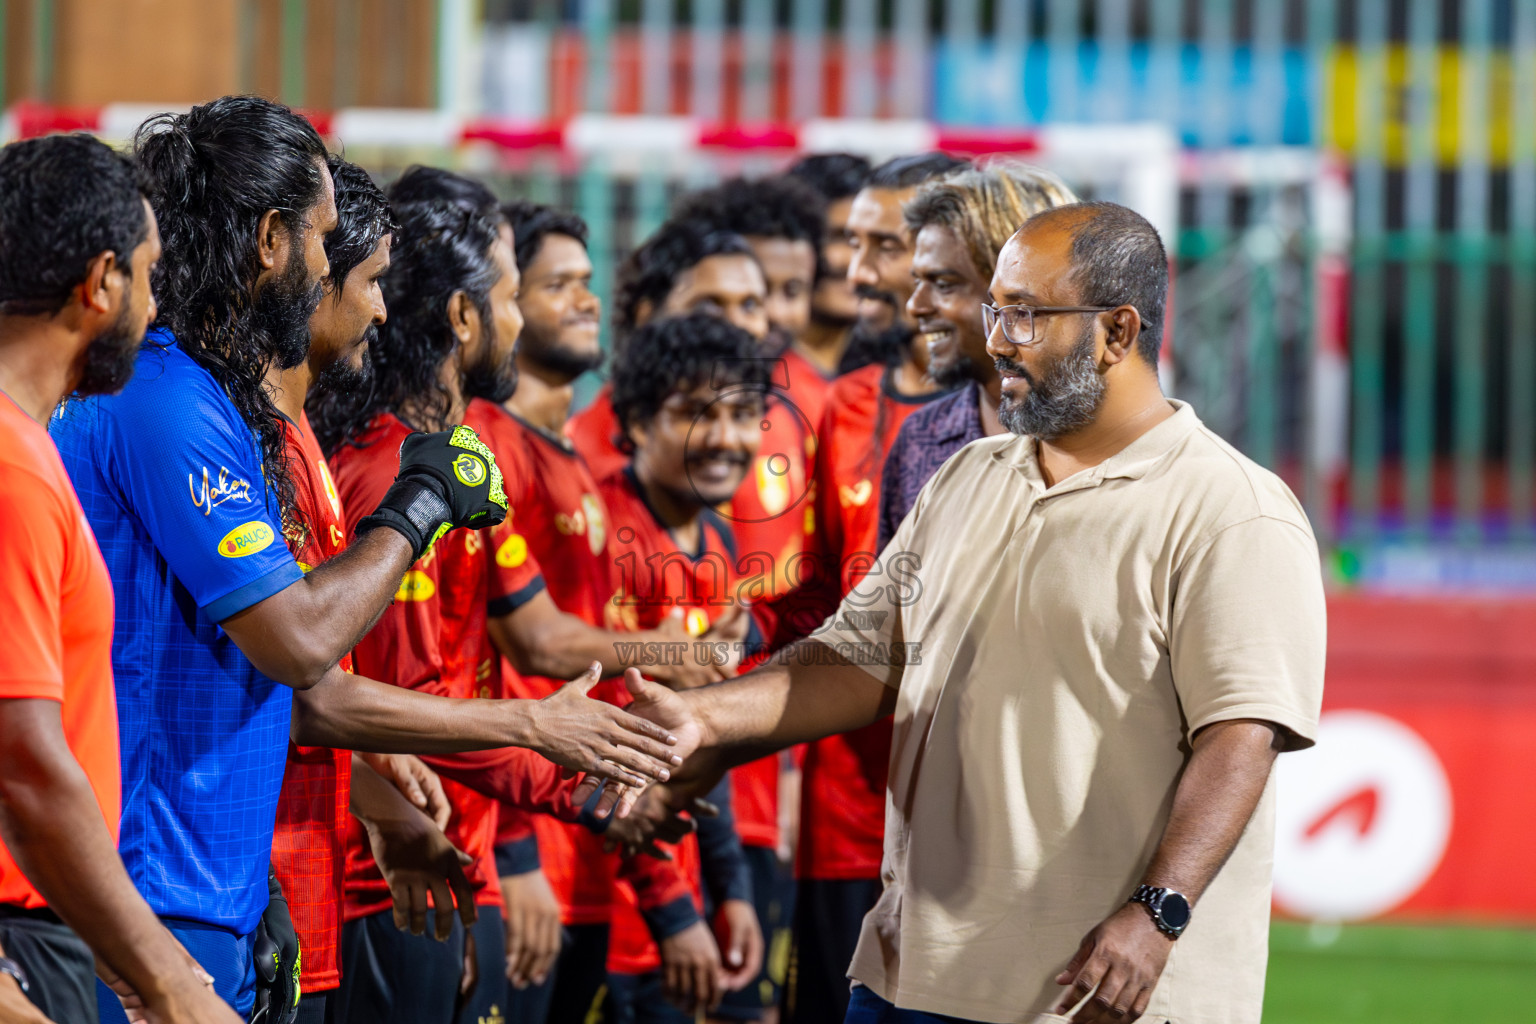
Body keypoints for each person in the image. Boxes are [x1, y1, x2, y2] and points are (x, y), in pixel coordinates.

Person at [630, 201, 1326, 1024]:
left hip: (1099, 992)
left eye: (1026, 314)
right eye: (997, 308)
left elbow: (1242, 735)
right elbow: (857, 659)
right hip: (908, 975)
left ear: (1118, 330)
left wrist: (1156, 915)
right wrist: (704, 720)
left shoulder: (1233, 510)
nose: (996, 337)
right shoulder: (966, 476)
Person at [478, 202, 748, 1024]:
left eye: (587, 283)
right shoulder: (487, 450)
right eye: (557, 284)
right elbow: (512, 667)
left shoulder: (568, 472)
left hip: (601, 853)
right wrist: (517, 855)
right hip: (525, 865)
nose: (585, 301)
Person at [0, 132, 241, 1024]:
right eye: (147, 273)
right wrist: (168, 981)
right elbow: (25, 762)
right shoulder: (14, 471)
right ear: (100, 283)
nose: (154, 303)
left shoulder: (31, 448)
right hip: (23, 936)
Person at [599, 314, 770, 1023]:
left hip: (675, 904)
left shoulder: (717, 539)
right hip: (604, 905)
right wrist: (674, 913)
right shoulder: (605, 530)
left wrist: (728, 888)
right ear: (637, 420)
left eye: (741, 414)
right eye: (697, 414)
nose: (724, 436)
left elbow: (701, 734)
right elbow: (610, 748)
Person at [879, 163, 1077, 550]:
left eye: (944, 284)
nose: (916, 305)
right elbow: (889, 606)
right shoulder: (920, 440)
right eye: (917, 281)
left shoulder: (1111, 443)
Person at [567, 220, 769, 483]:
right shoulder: (589, 460)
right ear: (647, 316)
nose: (737, 324)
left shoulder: (766, 426)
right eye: (709, 306)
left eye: (750, 304)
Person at [785, 154, 872, 377]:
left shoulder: (894, 373)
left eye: (875, 241)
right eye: (837, 238)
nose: (857, 261)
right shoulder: (752, 373)